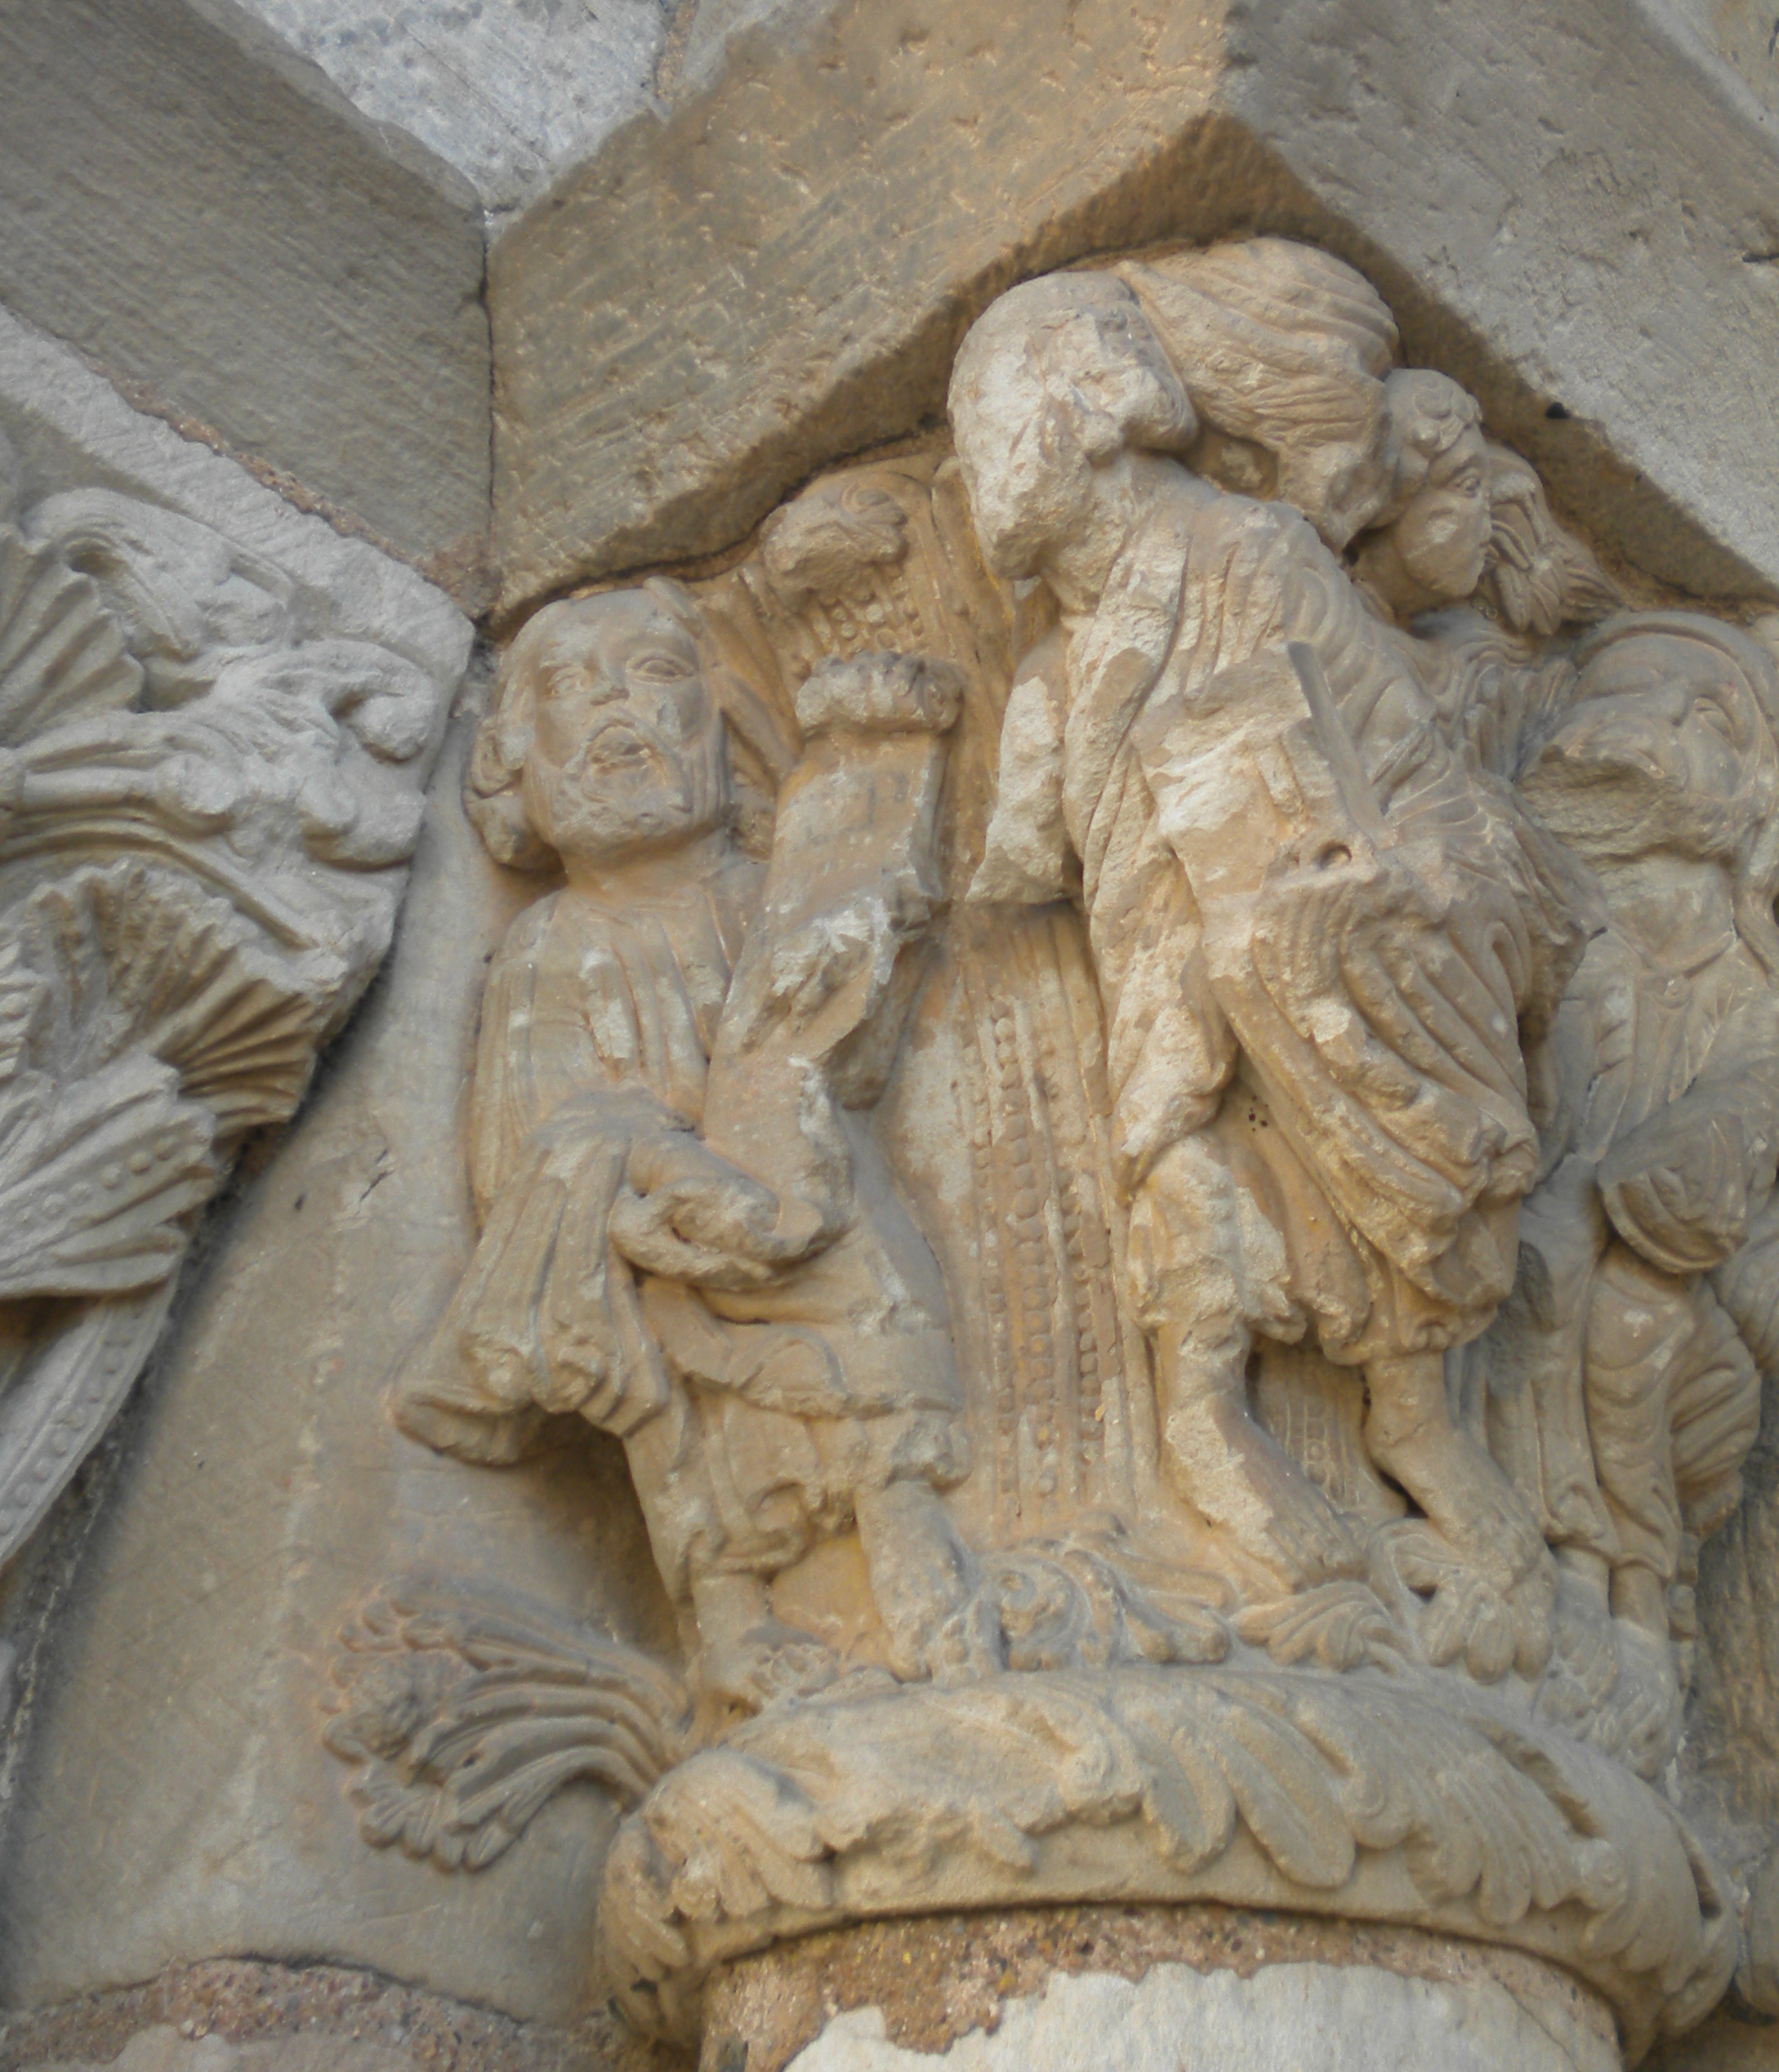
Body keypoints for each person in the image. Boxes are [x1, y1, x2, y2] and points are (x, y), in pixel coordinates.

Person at [953, 271, 1588, 1664]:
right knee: (1199, 1265)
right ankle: (1237, 1475)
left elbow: (1376, 750)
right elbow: (1019, 865)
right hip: (1173, 1015)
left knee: (1391, 1328)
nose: (977, 468)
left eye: (993, 414)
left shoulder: (1250, 556)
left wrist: (1350, 908)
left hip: (1323, 992)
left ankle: (1463, 1531)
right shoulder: (1055, 665)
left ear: (1095, 407)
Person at [391, 581, 987, 1713]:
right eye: (569, 686)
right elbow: (523, 1169)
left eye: (658, 674)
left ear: (723, 728)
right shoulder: (544, 948)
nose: (617, 710)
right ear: (519, 761)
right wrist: (652, 1187)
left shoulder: (774, 898)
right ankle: (728, 1618)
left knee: (858, 1248)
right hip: (659, 1247)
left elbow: (855, 1052)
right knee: (653, 1363)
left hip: (799, 1207)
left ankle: (905, 1520)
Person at [1478, 609, 1779, 1767]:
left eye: (1688, 711)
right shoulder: (1544, 926)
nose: (1632, 726)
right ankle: (1525, 1575)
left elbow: (1773, 1095)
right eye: (1621, 693)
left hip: (1685, 1322)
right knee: (1516, 1276)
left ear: (1749, 788)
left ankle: (1633, 1609)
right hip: (1539, 1262)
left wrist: (1690, 1157)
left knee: (1624, 1317)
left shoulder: (1749, 980)